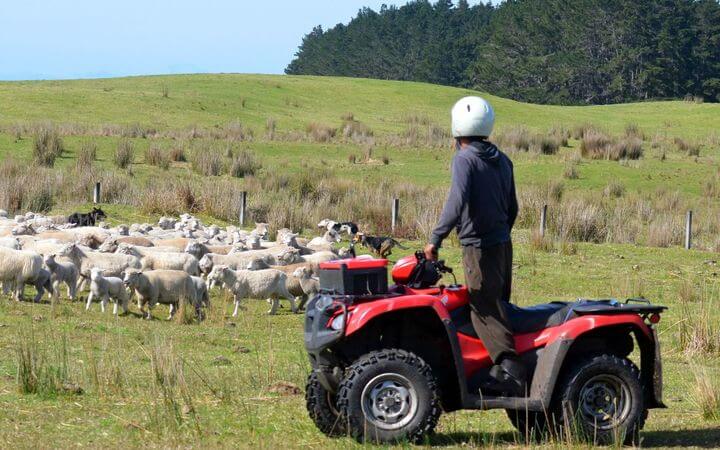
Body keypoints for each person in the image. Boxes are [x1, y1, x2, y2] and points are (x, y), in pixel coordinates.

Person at [424, 96, 525, 396]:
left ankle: (511, 370)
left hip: (478, 246)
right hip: (502, 245)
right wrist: (501, 234)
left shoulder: (464, 160)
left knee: (482, 306)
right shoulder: (503, 159)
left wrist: (435, 239)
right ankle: (496, 365)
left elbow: (456, 202)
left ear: (457, 128)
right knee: (498, 303)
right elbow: (513, 207)